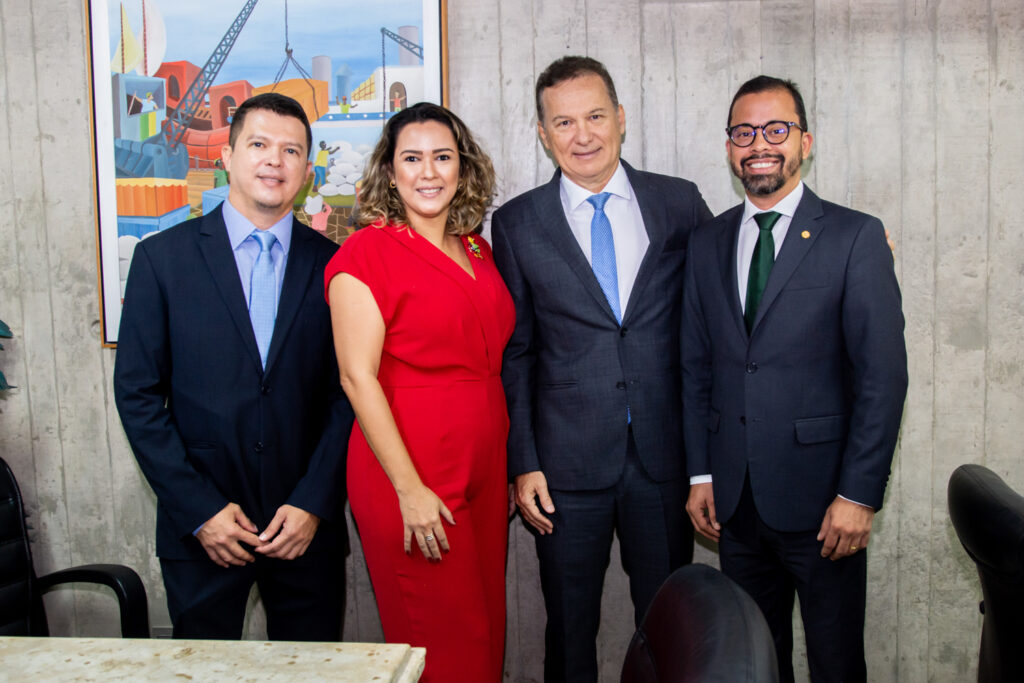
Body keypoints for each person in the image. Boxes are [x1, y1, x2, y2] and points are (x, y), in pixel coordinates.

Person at [490, 56, 711, 682]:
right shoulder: (516, 223)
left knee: (671, 628)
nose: (582, 135)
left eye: (594, 116)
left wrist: (838, 244)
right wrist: (524, 460)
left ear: (621, 118)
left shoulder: (678, 201)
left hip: (663, 460)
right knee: (568, 629)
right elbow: (518, 351)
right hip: (563, 466)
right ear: (542, 133)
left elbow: (722, 294)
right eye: (563, 122)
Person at [682, 75, 908, 682]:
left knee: (835, 663)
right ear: (729, 147)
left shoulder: (855, 237)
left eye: (776, 129)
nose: (760, 144)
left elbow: (882, 378)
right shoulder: (706, 243)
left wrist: (859, 495)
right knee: (755, 661)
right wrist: (701, 472)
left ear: (805, 142)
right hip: (734, 503)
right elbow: (697, 367)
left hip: (825, 505)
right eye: (744, 132)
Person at [113, 93, 353, 640]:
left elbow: (350, 394)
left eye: (291, 150)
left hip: (304, 529)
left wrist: (313, 502)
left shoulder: (338, 265)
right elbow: (138, 396)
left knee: (311, 676)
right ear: (226, 155)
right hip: (203, 531)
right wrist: (200, 510)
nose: (274, 160)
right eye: (259, 144)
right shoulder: (161, 260)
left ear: (307, 172)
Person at [326, 102, 513, 682]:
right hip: (412, 473)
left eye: (442, 157)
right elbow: (357, 378)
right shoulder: (364, 254)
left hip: (483, 472)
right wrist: (408, 489)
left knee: (485, 632)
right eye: (412, 158)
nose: (428, 172)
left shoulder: (477, 248)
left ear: (463, 168)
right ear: (390, 170)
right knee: (442, 645)